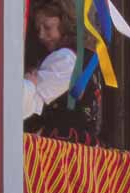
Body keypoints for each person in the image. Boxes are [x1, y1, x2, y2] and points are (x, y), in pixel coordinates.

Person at [23, 0, 102, 145]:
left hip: (60, 151)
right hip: (81, 150)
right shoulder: (84, 56)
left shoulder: (65, 58)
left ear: (64, 23)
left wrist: (30, 83)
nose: (41, 35)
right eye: (37, 29)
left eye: (47, 27)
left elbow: (25, 102)